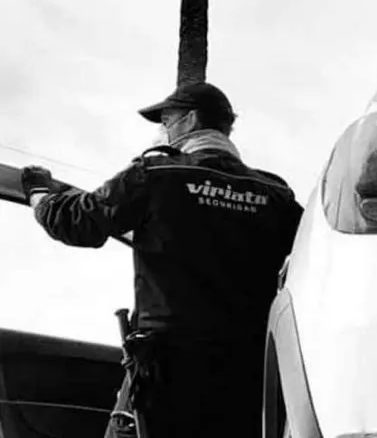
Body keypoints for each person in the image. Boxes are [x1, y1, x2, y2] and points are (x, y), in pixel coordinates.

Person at [20, 82, 304, 438]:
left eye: (166, 122)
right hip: (249, 372)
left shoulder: (156, 174)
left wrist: (39, 192)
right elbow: (307, 262)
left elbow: (76, 222)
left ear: (191, 119)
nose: (162, 131)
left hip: (170, 368)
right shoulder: (276, 194)